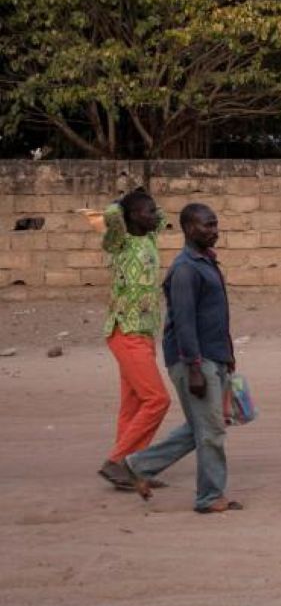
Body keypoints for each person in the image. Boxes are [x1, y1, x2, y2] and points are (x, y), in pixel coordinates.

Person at [125, 204, 241, 513]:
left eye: (215, 224)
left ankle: (139, 465)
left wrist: (227, 357)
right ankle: (209, 496)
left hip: (212, 357)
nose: (214, 230)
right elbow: (185, 321)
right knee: (212, 431)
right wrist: (194, 369)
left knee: (200, 428)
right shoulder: (186, 269)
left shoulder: (205, 262)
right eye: (207, 225)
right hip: (194, 361)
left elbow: (215, 316)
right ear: (189, 229)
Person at [96, 189, 173, 491]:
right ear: (130, 218)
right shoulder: (119, 243)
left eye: (153, 211)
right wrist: (122, 202)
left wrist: (143, 200)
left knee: (133, 404)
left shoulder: (150, 238)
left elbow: (163, 214)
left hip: (142, 333)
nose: (155, 216)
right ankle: (117, 461)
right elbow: (112, 215)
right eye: (147, 212)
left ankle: (127, 467)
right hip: (125, 331)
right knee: (157, 400)